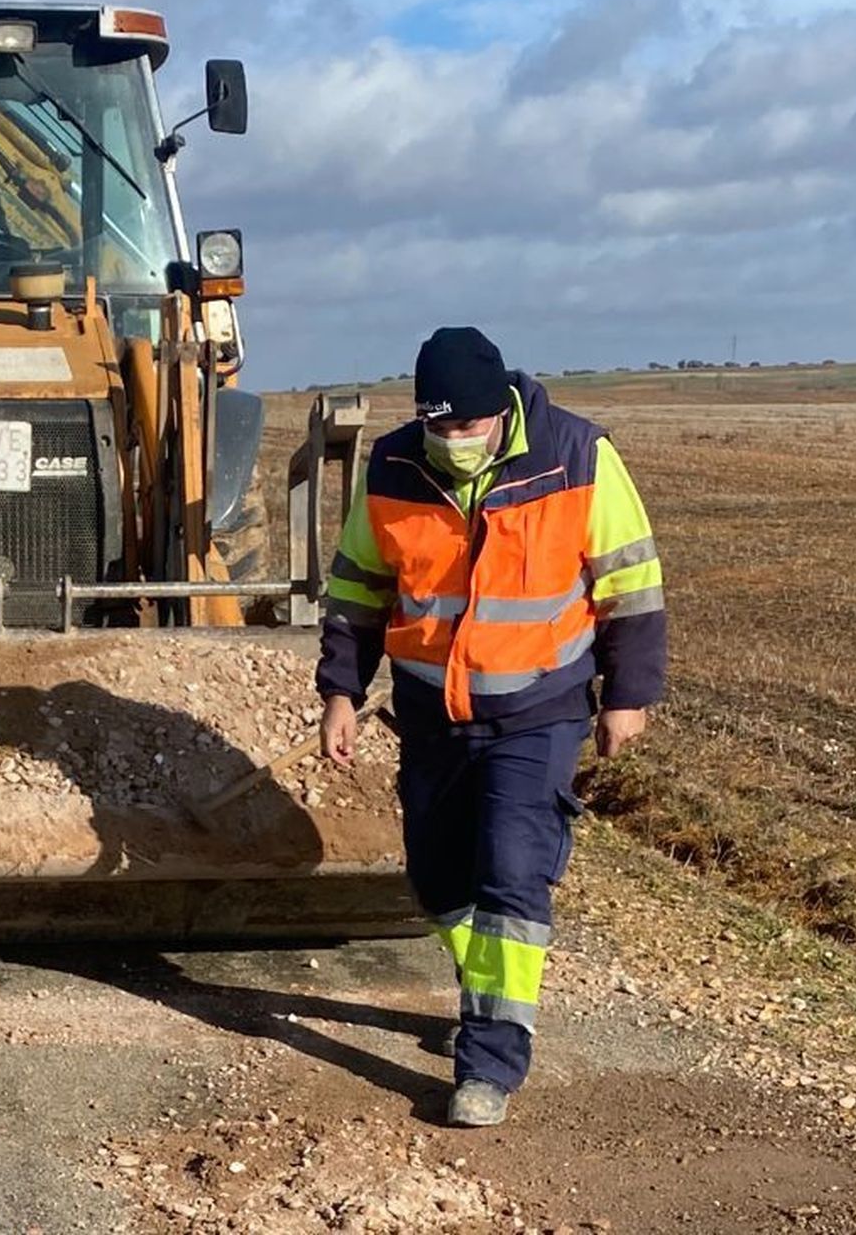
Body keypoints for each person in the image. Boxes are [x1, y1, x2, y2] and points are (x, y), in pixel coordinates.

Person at [316, 326, 665, 1128]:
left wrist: (628, 696)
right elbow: (360, 588)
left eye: (467, 427)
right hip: (430, 714)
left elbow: (632, 584)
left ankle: (491, 1060)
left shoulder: (577, 456)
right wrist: (341, 690)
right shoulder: (396, 466)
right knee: (438, 881)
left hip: (540, 709)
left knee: (510, 876)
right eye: (439, 428)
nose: (454, 442)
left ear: (500, 410)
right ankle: (489, 996)